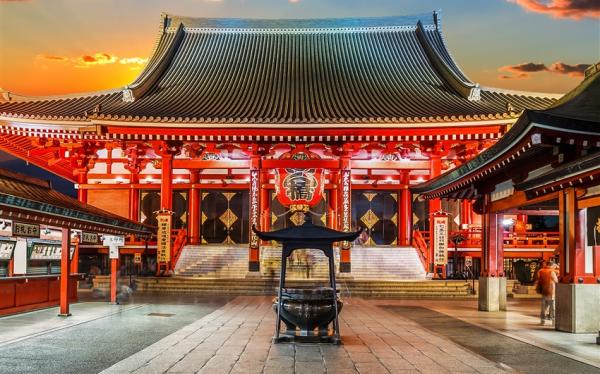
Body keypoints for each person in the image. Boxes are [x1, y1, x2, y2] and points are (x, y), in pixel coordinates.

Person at [537, 261, 559, 325]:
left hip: (544, 291)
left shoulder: (541, 271)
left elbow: (539, 279)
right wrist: (557, 269)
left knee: (544, 307)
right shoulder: (551, 272)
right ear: (552, 265)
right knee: (552, 307)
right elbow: (556, 281)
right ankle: (553, 321)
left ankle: (542, 321)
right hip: (551, 291)